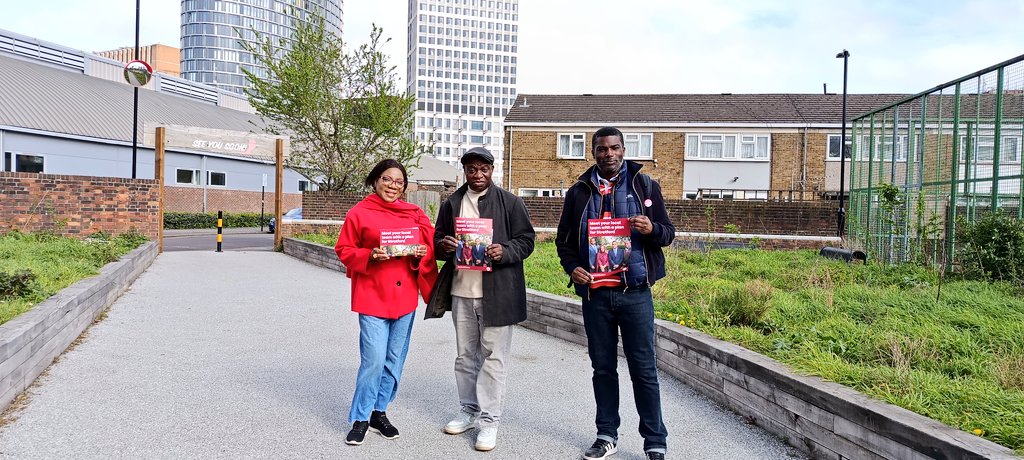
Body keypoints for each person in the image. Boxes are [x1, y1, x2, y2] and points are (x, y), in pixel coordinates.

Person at [555, 127, 676, 460]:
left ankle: (655, 440)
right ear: (593, 152)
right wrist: (572, 268)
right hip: (596, 296)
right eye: (601, 149)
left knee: (644, 370)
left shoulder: (644, 186)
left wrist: (651, 229)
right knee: (603, 369)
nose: (608, 154)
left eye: (614, 148)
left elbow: (668, 234)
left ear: (623, 150)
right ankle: (606, 435)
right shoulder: (578, 192)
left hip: (635, 293)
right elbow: (564, 242)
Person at [426, 146, 536, 452]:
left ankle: (489, 421)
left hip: (498, 293)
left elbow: (527, 241)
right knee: (465, 356)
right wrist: (445, 246)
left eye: (483, 169)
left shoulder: (510, 202)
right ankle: (468, 410)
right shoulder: (452, 203)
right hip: (462, 291)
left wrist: (505, 250)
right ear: (464, 171)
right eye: (472, 169)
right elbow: (437, 242)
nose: (478, 175)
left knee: (493, 358)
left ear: (492, 170)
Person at [334, 159, 439, 446]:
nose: (393, 185)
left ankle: (379, 411)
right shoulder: (359, 213)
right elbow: (343, 249)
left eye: (399, 182)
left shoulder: (415, 214)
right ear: (375, 180)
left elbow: (429, 249)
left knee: (394, 359)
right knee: (373, 360)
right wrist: (369, 255)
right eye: (387, 179)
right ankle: (360, 417)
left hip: (404, 298)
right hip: (372, 295)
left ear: (404, 187)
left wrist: (421, 252)